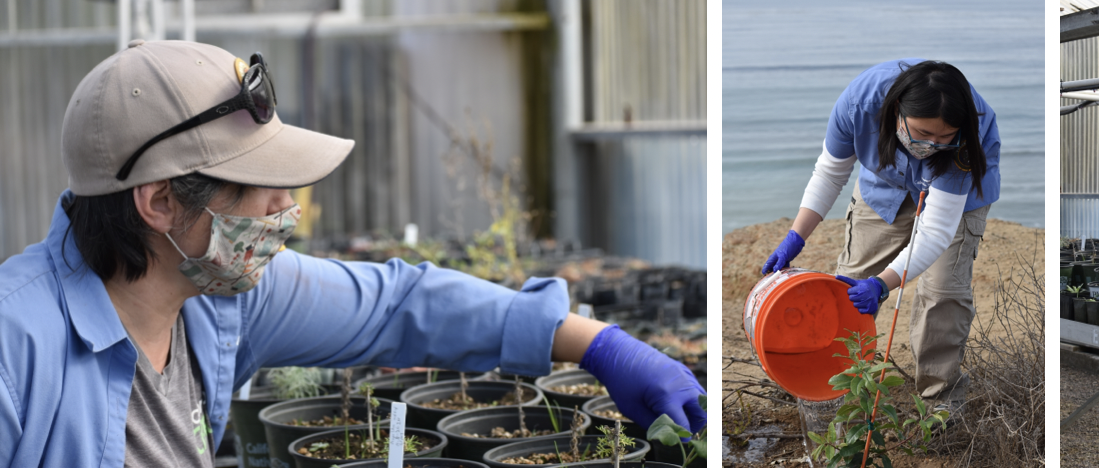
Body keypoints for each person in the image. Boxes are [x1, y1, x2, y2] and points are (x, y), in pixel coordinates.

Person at [0, 40, 704, 467]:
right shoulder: (15, 345)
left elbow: (401, 306)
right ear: (159, 203)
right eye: (263, 188)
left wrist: (601, 346)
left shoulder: (217, 300)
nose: (287, 208)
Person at [760, 59, 999, 415]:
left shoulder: (967, 135)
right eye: (922, 133)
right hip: (883, 186)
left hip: (956, 205)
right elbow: (829, 174)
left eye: (943, 137)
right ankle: (838, 388)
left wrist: (885, 284)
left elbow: (934, 231)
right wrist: (796, 236)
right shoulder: (859, 105)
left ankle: (939, 406)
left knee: (942, 295)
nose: (931, 145)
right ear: (897, 112)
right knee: (849, 286)